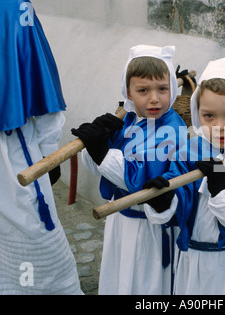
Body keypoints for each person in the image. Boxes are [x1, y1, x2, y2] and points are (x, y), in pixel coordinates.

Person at [0, 0, 82, 294]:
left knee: (33, 240)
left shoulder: (12, 7)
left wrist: (49, 153)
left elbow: (38, 76)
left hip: (7, 150)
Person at [142, 56, 225, 295]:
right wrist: (163, 200)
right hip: (194, 262)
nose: (219, 126)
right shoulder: (189, 152)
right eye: (209, 116)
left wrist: (219, 188)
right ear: (196, 113)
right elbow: (178, 204)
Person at [73, 45, 186, 294]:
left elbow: (140, 179)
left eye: (162, 89)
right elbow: (101, 169)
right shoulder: (129, 119)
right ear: (129, 93)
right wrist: (93, 146)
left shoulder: (171, 128)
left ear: (172, 90)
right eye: (143, 90)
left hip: (149, 226)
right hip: (121, 220)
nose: (154, 98)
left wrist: (102, 151)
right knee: (120, 276)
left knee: (144, 284)